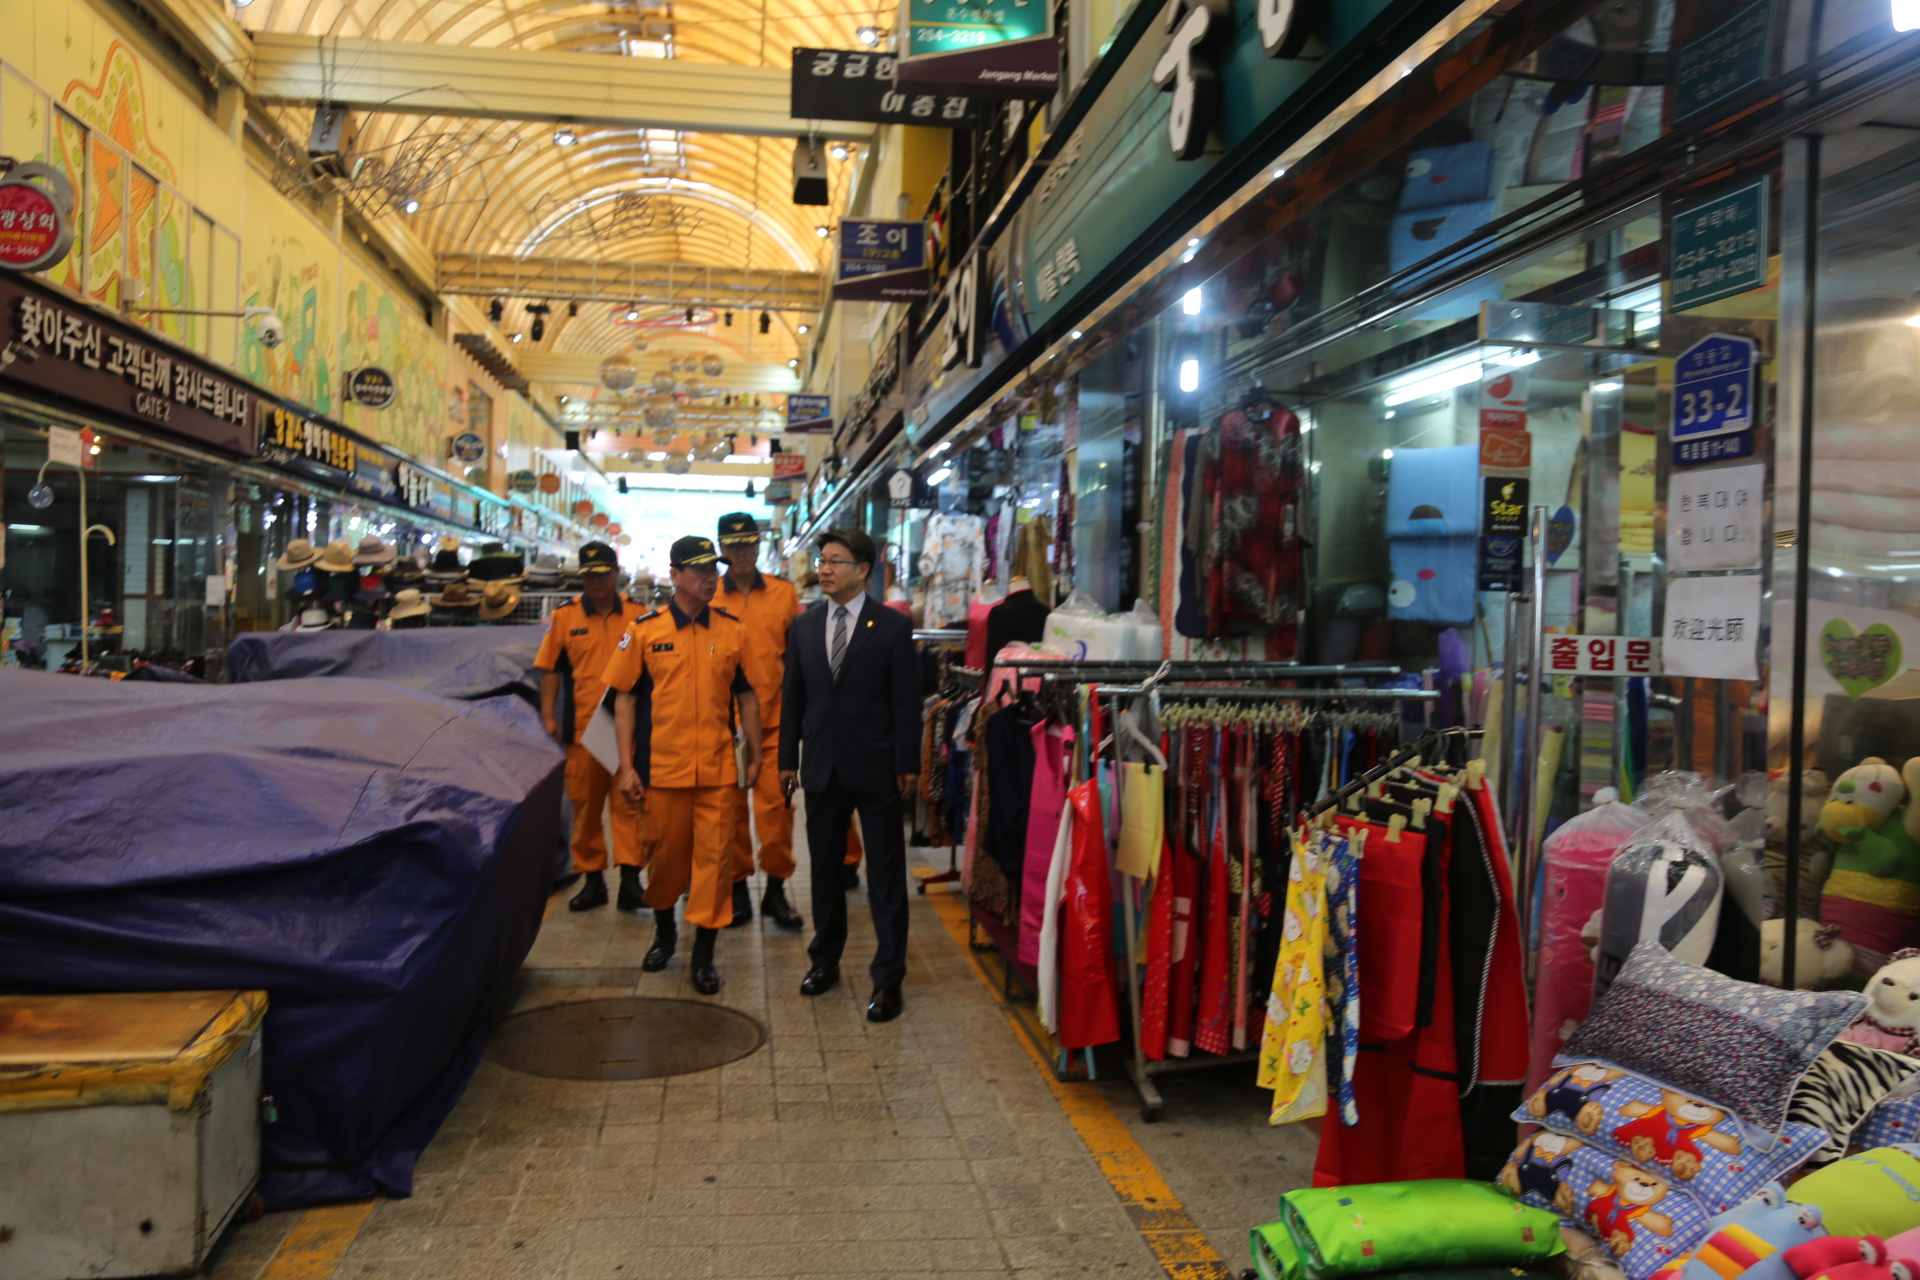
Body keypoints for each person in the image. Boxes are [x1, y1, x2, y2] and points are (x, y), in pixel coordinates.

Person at [604, 535, 761, 995]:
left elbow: (748, 696)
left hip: (717, 770)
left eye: (714, 569)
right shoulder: (644, 631)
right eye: (700, 570)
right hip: (662, 771)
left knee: (715, 864)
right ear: (674, 575)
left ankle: (703, 956)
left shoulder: (733, 630)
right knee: (665, 860)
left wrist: (754, 755)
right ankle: (665, 934)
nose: (711, 578)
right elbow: (624, 700)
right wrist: (626, 766)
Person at [779, 528, 922, 1022]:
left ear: (863, 570)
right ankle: (825, 960)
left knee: (885, 874)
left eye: (836, 561)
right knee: (824, 871)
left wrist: (908, 762)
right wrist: (787, 759)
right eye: (822, 560)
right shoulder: (804, 626)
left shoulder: (892, 626)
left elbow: (906, 702)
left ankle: (888, 978)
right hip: (821, 765)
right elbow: (792, 698)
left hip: (877, 766)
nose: (824, 568)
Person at [534, 541, 652, 912]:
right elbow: (550, 668)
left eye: (603, 574)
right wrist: (548, 715)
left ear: (616, 573)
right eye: (589, 575)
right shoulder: (565, 617)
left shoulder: (638, 614)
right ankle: (593, 881)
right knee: (585, 808)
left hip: (628, 730)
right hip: (582, 732)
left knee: (630, 804)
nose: (597, 581)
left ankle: (631, 881)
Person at [715, 512, 805, 931]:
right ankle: (737, 888)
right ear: (721, 549)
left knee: (777, 809)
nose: (741, 552)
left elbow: (797, 657)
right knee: (730, 811)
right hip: (725, 726)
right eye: (733, 546)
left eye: (748, 544)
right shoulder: (709, 594)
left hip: (775, 722)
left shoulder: (784, 594)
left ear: (758, 545)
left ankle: (775, 890)